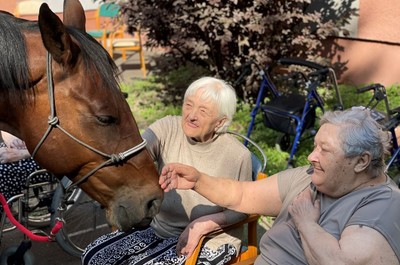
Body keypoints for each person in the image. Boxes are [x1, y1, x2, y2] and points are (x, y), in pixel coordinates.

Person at [160, 108, 400, 264]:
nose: (311, 157)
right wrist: (198, 180)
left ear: (361, 161)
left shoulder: (382, 205)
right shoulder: (312, 177)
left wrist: (305, 221)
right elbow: (242, 194)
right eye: (315, 146)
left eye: (324, 150)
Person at [82, 77, 253, 265]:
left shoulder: (237, 156)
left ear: (220, 122)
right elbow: (137, 154)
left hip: (211, 241)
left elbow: (242, 211)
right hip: (161, 230)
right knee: (94, 256)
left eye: (203, 111)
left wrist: (200, 226)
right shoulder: (168, 127)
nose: (191, 115)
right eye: (189, 105)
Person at [0, 131, 51, 208]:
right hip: (23, 149)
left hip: (44, 157)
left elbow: (56, 148)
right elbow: (4, 125)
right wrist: (11, 140)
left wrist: (21, 154)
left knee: (2, 172)